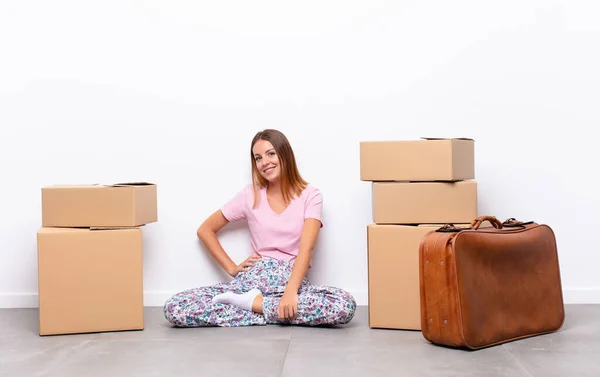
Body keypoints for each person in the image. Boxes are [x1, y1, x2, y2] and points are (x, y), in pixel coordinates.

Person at [163, 129, 357, 327]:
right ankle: (269, 308)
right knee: (175, 308)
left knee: (344, 305)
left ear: (285, 154)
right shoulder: (250, 195)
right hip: (252, 280)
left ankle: (253, 305)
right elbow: (205, 230)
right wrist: (232, 268)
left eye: (271, 153)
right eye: (258, 158)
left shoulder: (311, 195)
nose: (264, 162)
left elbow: (306, 249)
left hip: (291, 280)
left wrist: (290, 292)